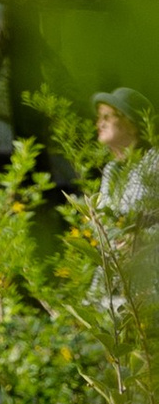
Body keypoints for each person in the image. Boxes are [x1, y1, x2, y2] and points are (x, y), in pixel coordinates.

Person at [87, 90, 159, 313]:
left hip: (149, 278)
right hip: (110, 280)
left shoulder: (154, 162)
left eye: (107, 117)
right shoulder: (111, 170)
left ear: (131, 123)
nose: (99, 123)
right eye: (99, 118)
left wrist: (143, 238)